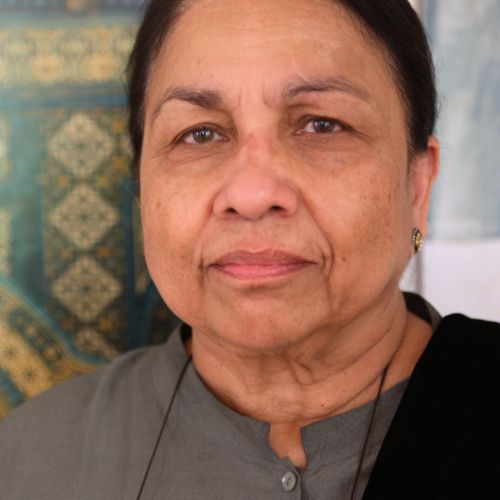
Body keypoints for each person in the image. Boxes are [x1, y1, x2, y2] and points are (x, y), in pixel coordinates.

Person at [1, 0, 499, 498]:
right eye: (200, 134)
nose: (253, 194)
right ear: (144, 192)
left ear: (417, 187)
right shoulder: (32, 463)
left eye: (321, 125)